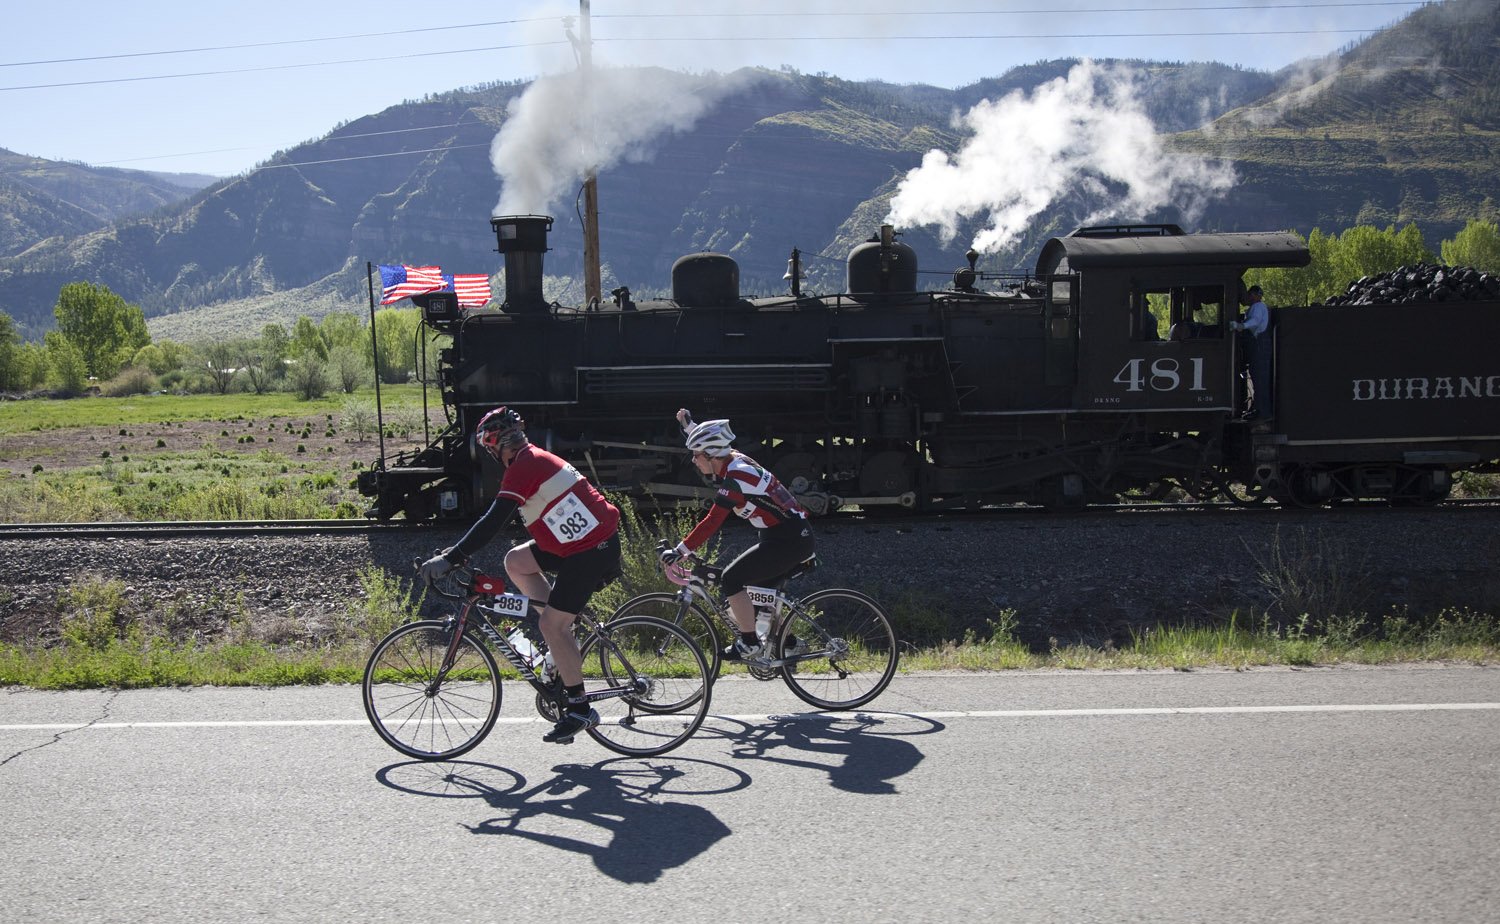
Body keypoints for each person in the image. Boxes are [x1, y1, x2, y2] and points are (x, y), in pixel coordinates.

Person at [419, 406, 621, 744]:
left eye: (489, 447)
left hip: (591, 549)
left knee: (549, 625)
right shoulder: (530, 460)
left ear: (498, 443)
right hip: (576, 544)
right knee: (516, 561)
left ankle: (579, 708)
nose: (490, 454)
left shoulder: (526, 466)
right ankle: (561, 639)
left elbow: (493, 522)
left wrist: (451, 558)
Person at [659, 409, 814, 662]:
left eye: (696, 455)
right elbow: (711, 441)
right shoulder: (732, 458)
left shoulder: (737, 478)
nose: (693, 461)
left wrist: (680, 551)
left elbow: (712, 522)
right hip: (785, 536)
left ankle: (749, 642)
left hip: (788, 541)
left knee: (731, 579)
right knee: (756, 599)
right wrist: (689, 426)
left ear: (710, 455)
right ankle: (790, 643)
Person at [1231, 284, 1272, 420]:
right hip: (1257, 347)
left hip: (1259, 347)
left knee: (1260, 379)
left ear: (1254, 295)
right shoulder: (1256, 308)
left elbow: (1255, 321)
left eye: (1250, 295)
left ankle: (1262, 411)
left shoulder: (1258, 307)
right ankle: (1258, 408)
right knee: (1256, 378)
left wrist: (1241, 326)